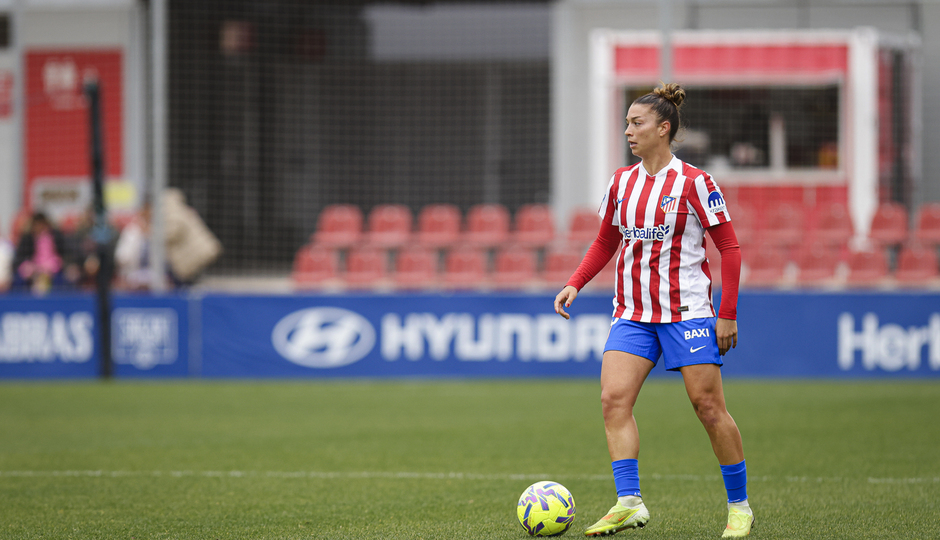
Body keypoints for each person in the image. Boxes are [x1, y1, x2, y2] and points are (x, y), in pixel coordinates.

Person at [554, 83, 753, 538]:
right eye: (627, 123)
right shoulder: (621, 182)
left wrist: (728, 312)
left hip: (688, 313)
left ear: (664, 129)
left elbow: (730, 248)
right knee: (612, 400)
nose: (628, 130)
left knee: (707, 407)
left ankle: (739, 508)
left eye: (636, 123)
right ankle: (629, 503)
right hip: (633, 313)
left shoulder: (696, 183)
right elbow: (606, 241)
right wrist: (574, 282)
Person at [12, 212, 68, 295]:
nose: (39, 227)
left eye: (41, 224)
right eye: (37, 224)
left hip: (52, 270)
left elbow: (63, 255)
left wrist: (50, 268)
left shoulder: (56, 236)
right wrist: (29, 267)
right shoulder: (27, 238)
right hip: (33, 269)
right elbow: (19, 259)